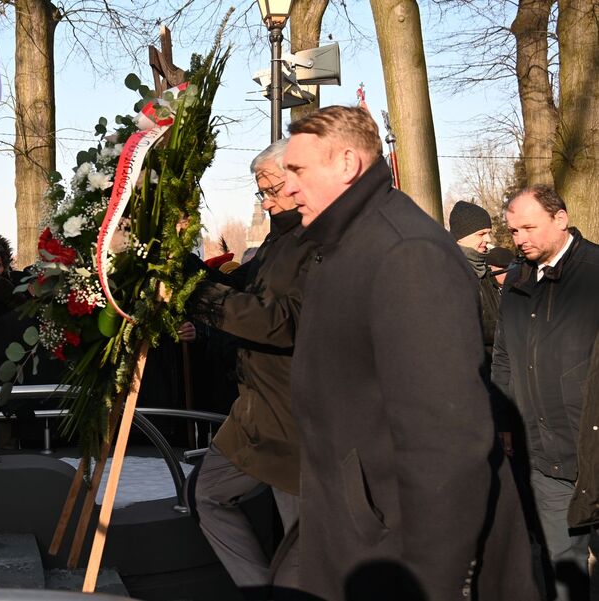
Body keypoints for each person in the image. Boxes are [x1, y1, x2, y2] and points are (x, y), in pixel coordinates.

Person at [216, 106, 536, 599]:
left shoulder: (406, 254)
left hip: (398, 549)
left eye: (298, 171)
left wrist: (429, 578)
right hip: (355, 524)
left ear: (346, 164)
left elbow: (447, 443)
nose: (288, 189)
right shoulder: (341, 244)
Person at [188, 138, 305, 598]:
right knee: (208, 494)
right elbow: (241, 286)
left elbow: (278, 321)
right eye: (261, 191)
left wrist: (200, 297)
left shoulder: (316, 241)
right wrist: (182, 269)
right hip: (255, 407)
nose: (266, 200)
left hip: (294, 416)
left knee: (304, 542)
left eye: (272, 188)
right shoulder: (277, 238)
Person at [492, 185, 599, 600]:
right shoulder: (517, 280)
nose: (520, 238)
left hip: (593, 448)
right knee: (562, 571)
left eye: (528, 227)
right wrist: (504, 422)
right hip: (545, 459)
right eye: (513, 230)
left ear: (560, 219)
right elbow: (503, 358)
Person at [449, 200, 502, 357]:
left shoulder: (483, 270)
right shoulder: (450, 272)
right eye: (481, 234)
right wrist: (508, 328)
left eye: (489, 233)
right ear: (460, 237)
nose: (488, 239)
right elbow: (458, 328)